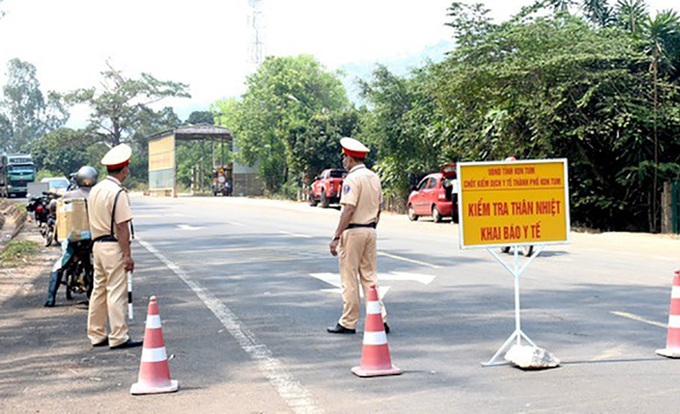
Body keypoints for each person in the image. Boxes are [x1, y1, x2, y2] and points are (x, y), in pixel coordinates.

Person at [327, 137, 389, 334]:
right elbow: (379, 207)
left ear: (350, 158)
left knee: (349, 277)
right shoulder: (374, 177)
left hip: (353, 231)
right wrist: (372, 225)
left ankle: (348, 321)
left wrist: (337, 236)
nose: (343, 160)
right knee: (370, 278)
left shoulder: (353, 179)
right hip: (370, 229)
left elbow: (348, 209)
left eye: (344, 157)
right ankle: (379, 318)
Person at [86, 144, 142, 350]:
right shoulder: (118, 193)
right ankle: (118, 335)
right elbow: (122, 226)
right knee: (116, 291)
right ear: (124, 169)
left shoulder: (96, 190)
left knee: (98, 291)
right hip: (112, 246)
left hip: (97, 246)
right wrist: (127, 256)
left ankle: (96, 334)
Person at [44, 166, 98, 307]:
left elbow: (56, 206)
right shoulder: (99, 194)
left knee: (58, 266)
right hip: (94, 239)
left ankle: (50, 299)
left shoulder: (69, 195)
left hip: (74, 239)